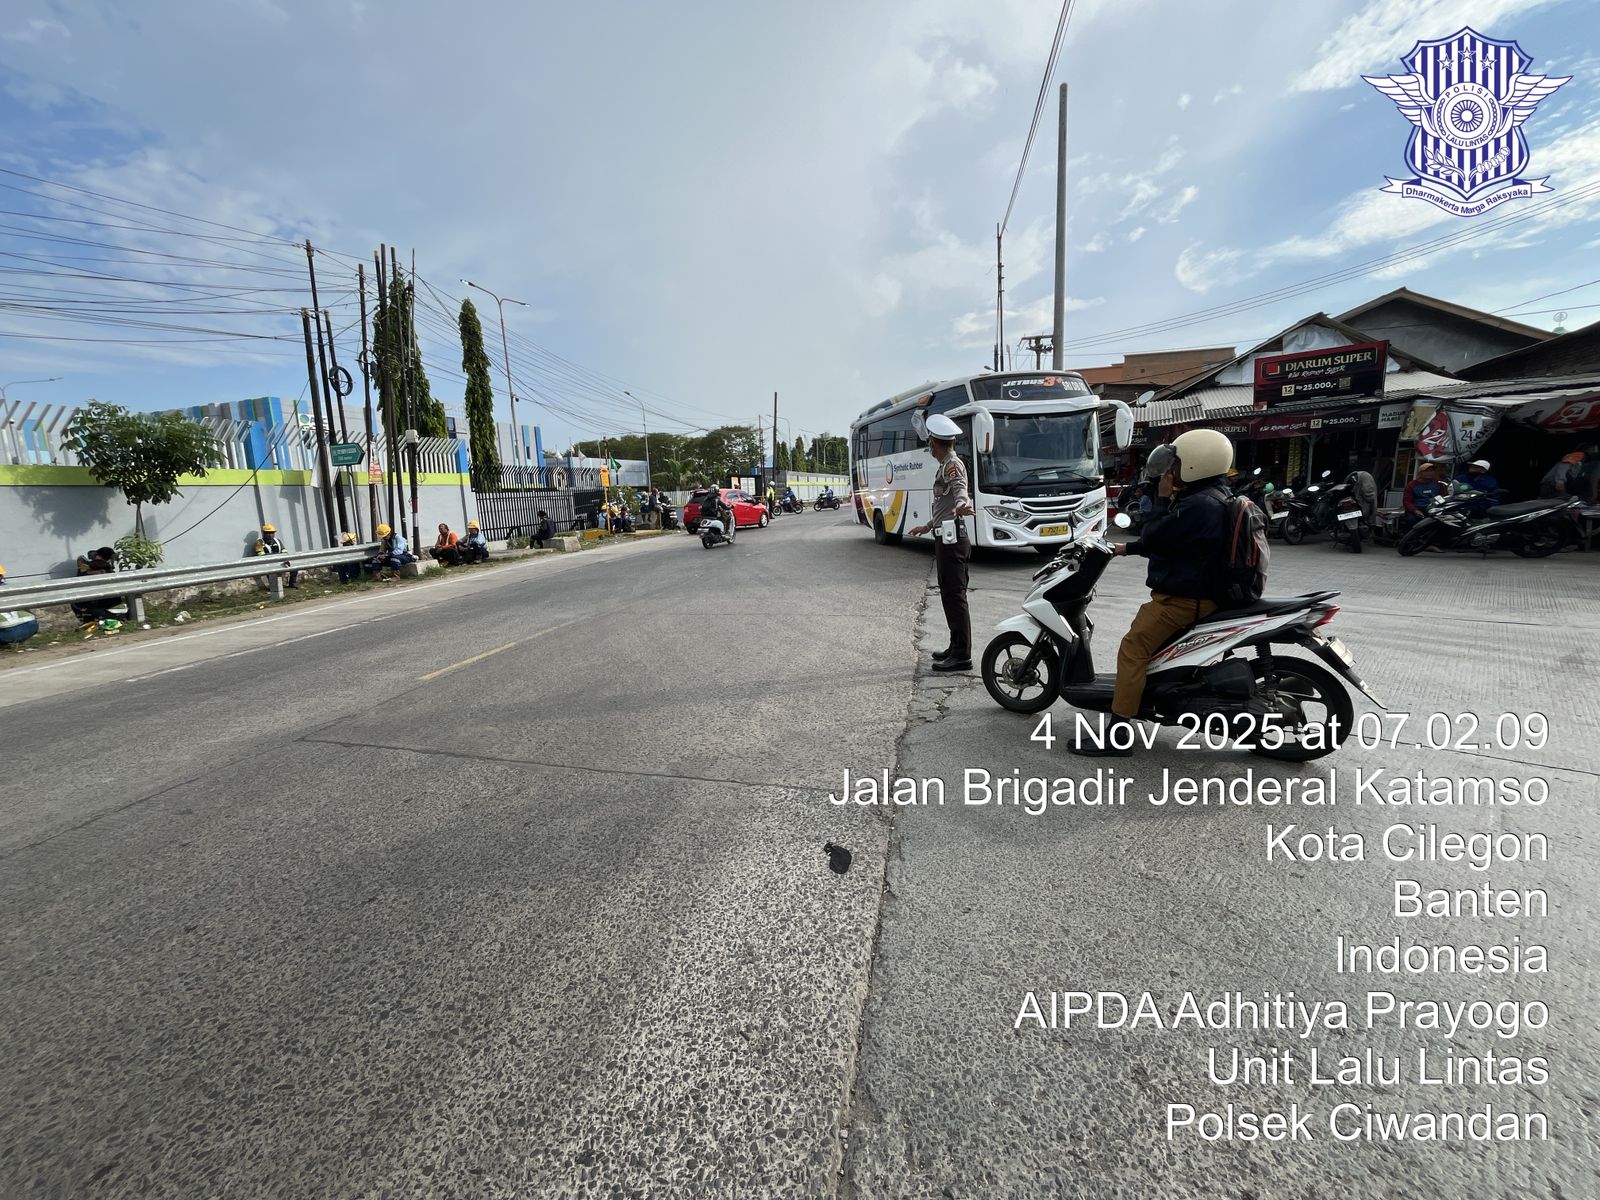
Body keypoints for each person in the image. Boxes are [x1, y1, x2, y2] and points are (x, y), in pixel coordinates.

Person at [1074, 428, 1236, 757]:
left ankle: (1117, 735)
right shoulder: (1214, 497)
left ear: (1197, 464)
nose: (1170, 471)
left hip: (1183, 601)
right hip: (1201, 593)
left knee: (1132, 648)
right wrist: (1125, 549)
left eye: (1176, 465)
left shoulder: (1199, 505)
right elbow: (1172, 543)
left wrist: (1161, 499)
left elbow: (1156, 534)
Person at [908, 414, 975, 673]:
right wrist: (927, 526)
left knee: (955, 597)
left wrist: (963, 504)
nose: (930, 449)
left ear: (934, 443)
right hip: (946, 537)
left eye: (930, 444)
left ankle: (962, 655)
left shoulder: (952, 466)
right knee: (949, 596)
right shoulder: (945, 465)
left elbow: (960, 491)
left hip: (953, 541)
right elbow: (945, 505)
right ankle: (955, 646)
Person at [72, 546, 128, 631]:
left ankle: (95, 624)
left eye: (89, 571)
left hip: (112, 610)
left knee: (91, 609)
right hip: (107, 608)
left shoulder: (105, 576)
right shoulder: (100, 570)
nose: (88, 573)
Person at [0, 564, 39, 647]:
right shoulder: (13, 588)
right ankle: (16, 641)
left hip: (7, 633)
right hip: (32, 626)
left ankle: (10, 641)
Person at [253, 521, 299, 589]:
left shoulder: (277, 541)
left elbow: (284, 551)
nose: (270, 535)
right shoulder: (259, 542)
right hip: (268, 563)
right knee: (270, 571)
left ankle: (292, 583)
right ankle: (274, 587)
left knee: (294, 568)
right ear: (264, 533)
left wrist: (285, 559)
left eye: (272, 533)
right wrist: (274, 555)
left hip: (279, 561)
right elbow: (261, 555)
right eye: (268, 533)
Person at [1402, 463, 1447, 528]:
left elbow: (1442, 497)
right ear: (1420, 473)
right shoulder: (1412, 485)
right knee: (1411, 520)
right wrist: (1415, 511)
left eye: (1431, 471)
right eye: (1427, 471)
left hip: (1433, 509)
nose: (1429, 473)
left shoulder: (1438, 484)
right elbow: (1407, 501)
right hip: (1417, 509)